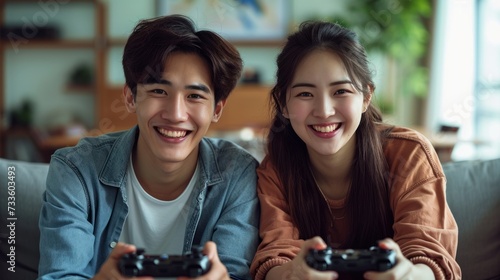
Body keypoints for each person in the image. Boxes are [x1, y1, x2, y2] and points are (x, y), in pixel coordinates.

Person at [38, 15, 260, 280]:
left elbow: (233, 273)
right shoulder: (76, 169)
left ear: (217, 109)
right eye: (158, 91)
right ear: (130, 97)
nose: (176, 114)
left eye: (195, 96)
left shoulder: (238, 174)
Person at [250, 20, 461, 280]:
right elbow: (275, 255)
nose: (324, 111)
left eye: (341, 90)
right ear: (283, 103)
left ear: (366, 96)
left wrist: (411, 275)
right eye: (305, 94)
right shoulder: (275, 170)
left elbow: (428, 252)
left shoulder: (408, 154)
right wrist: (290, 274)